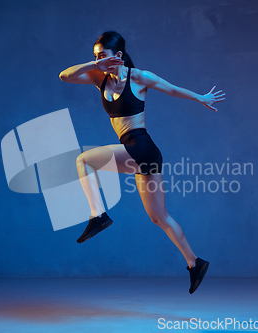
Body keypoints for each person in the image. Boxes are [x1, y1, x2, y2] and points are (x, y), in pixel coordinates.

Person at [59, 31, 225, 294]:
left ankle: (98, 215)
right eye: (95, 56)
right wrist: (94, 65)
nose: (98, 60)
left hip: (142, 147)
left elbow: (171, 89)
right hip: (138, 153)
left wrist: (200, 97)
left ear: (119, 55)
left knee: (84, 161)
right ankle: (195, 263)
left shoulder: (138, 77)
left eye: (103, 55)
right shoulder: (98, 78)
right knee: (159, 217)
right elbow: (64, 75)